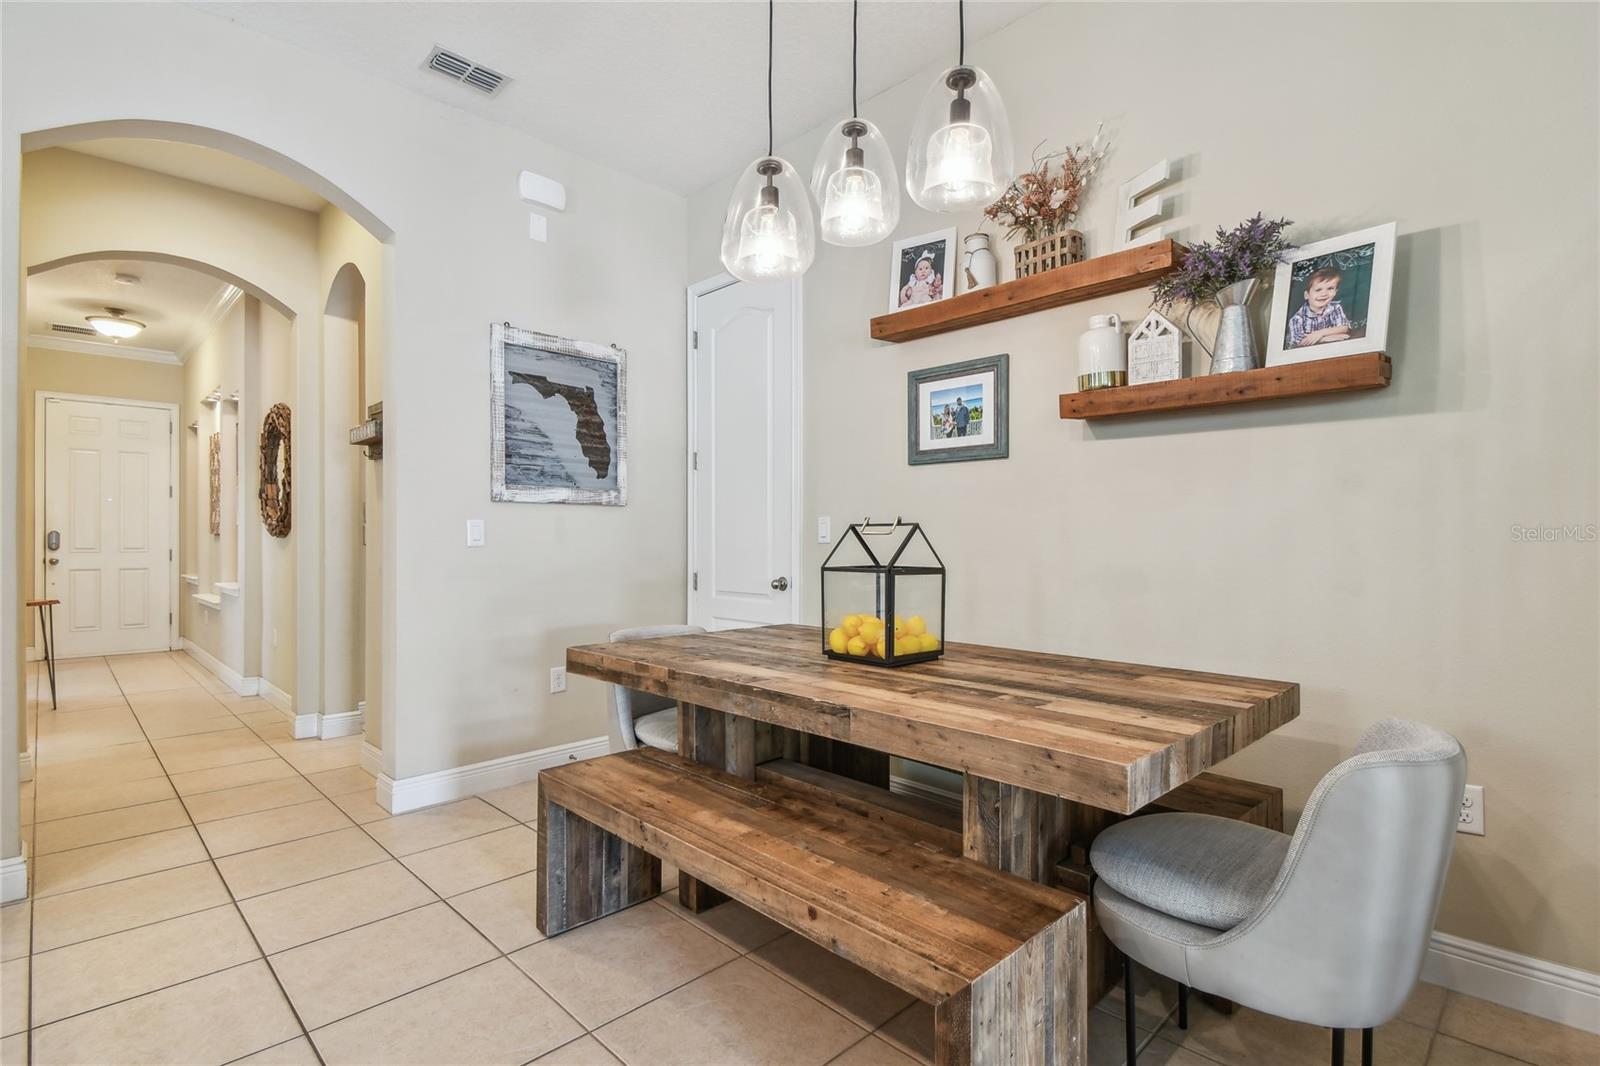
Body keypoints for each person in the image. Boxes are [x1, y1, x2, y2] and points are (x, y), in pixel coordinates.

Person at [1286, 265, 1353, 348]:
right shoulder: (1298, 318)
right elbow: (1299, 342)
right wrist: (1326, 338)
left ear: (1336, 291)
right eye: (1318, 290)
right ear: (1307, 295)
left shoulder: (1335, 308)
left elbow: (1344, 328)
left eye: (1330, 288)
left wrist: (1319, 333)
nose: (1324, 294)